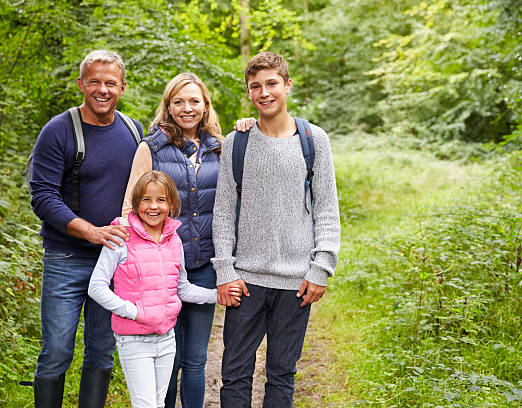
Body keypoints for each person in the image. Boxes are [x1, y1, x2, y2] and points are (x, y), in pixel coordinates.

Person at [212, 51, 341, 407]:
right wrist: (224, 270)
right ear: (249, 92)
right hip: (245, 282)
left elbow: (327, 209)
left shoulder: (314, 140)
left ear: (287, 85)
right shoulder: (236, 142)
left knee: (282, 375)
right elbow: (223, 212)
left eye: (271, 84)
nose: (264, 92)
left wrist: (321, 268)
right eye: (256, 86)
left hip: (296, 282)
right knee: (235, 373)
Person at [121, 73, 253, 408]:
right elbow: (129, 208)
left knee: (195, 358)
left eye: (194, 101)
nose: (187, 108)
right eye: (178, 101)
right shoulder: (150, 149)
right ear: (167, 106)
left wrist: (253, 126)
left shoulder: (221, 148)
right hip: (161, 269)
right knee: (168, 357)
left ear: (205, 105)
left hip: (204, 266)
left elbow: (243, 193)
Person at [29, 50, 142, 408]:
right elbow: (43, 197)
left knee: (101, 352)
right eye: (95, 81)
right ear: (81, 84)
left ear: (122, 88)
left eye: (111, 83)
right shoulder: (58, 131)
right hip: (67, 258)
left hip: (113, 263)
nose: (102, 89)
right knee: (58, 350)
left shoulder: (132, 130)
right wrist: (90, 231)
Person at [88, 170, 240, 408]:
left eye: (161, 200)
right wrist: (133, 312)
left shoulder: (174, 240)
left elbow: (182, 288)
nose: (153, 206)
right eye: (146, 199)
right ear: (137, 202)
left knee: (159, 403)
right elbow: (96, 287)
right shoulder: (120, 236)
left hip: (166, 339)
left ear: (171, 205)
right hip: (134, 339)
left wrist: (216, 295)